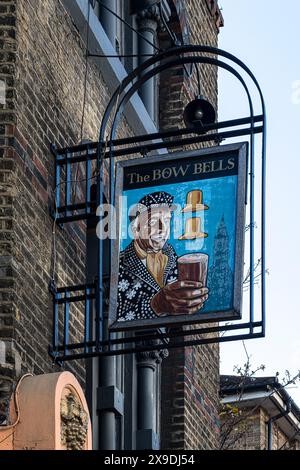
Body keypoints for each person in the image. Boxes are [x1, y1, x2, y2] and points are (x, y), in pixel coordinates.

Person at [117, 191, 208, 322]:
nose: (163, 228)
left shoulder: (176, 262)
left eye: (166, 220)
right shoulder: (119, 265)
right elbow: (114, 318)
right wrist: (155, 305)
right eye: (153, 221)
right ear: (135, 229)